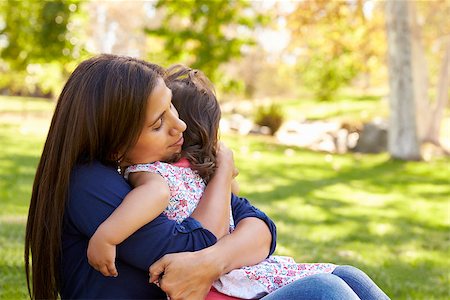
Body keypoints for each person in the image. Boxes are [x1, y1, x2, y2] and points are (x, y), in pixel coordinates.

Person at [24, 54, 388, 300]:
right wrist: (224, 171)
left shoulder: (167, 170)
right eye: (158, 122)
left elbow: (259, 226)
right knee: (324, 292)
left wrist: (214, 261)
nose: (180, 124)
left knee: (349, 276)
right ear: (114, 142)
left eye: (172, 107)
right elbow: (195, 243)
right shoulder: (90, 186)